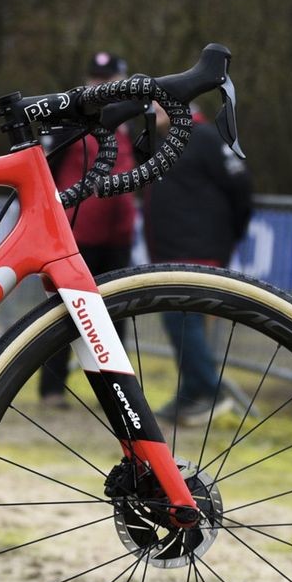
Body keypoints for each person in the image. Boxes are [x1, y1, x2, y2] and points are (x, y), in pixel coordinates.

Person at [145, 101, 253, 426]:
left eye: (158, 104)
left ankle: (209, 390)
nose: (150, 110)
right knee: (178, 321)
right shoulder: (166, 142)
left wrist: (229, 235)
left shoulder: (204, 137)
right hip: (172, 250)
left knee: (183, 319)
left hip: (197, 248)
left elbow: (242, 188)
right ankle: (192, 392)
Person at [39, 51, 137, 408]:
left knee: (117, 314)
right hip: (77, 233)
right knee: (65, 314)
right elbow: (47, 170)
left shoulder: (128, 121)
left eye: (108, 78)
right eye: (96, 77)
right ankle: (51, 389)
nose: (101, 84)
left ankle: (118, 396)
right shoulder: (70, 120)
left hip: (119, 235)